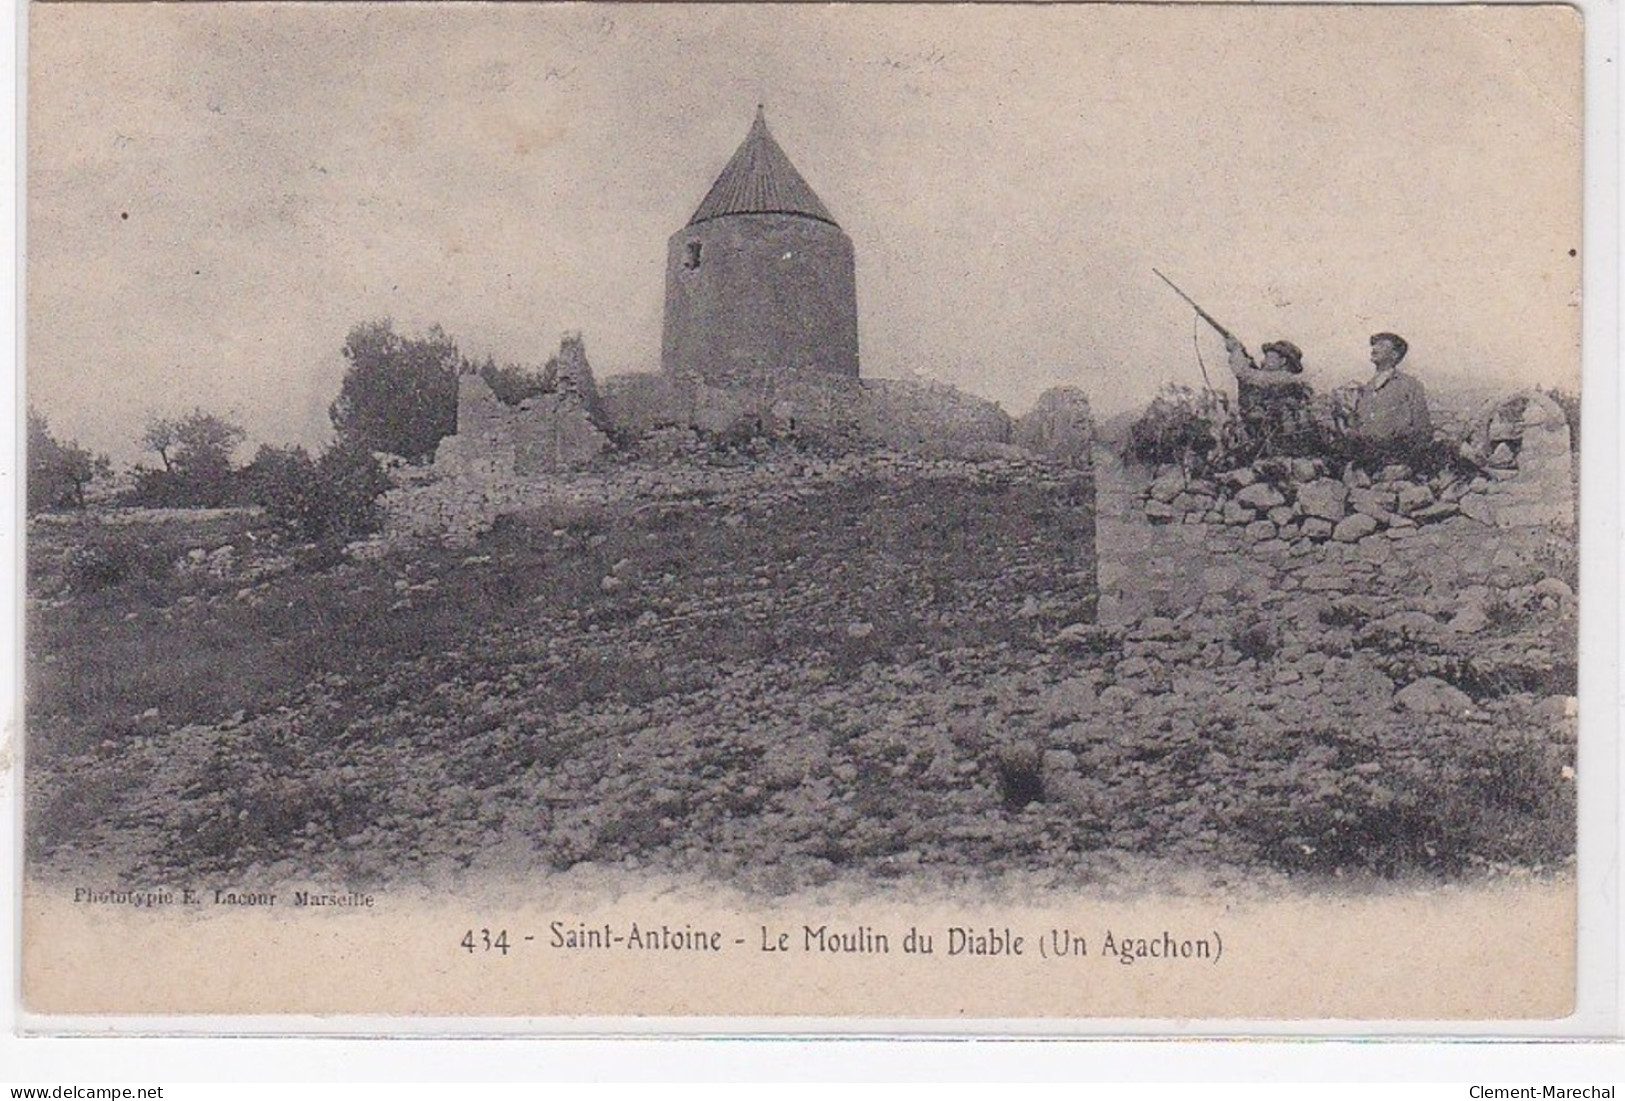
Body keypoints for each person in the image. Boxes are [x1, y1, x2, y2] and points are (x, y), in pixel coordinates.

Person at [1336, 332, 1431, 455]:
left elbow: (1423, 429)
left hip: (1397, 461)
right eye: (1374, 345)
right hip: (1365, 460)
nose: (1374, 349)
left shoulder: (1410, 385)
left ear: (1394, 354)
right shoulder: (1365, 389)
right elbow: (1357, 428)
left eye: (1381, 345)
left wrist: (1407, 465)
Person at [1223, 334, 1314, 456]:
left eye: (1268, 357)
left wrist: (1236, 350)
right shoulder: (1283, 380)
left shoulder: (1284, 378)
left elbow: (1245, 374)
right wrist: (1247, 360)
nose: (1263, 361)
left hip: (1280, 451)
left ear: (1283, 361)